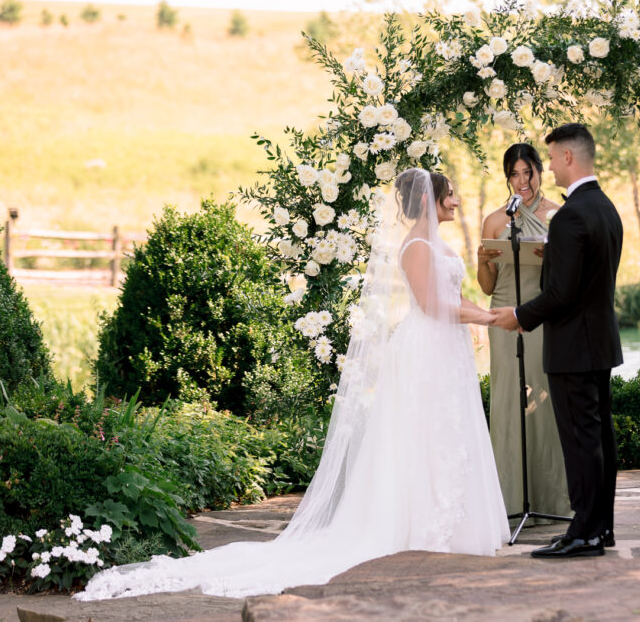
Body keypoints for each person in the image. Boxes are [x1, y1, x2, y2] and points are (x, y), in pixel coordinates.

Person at [76, 169, 509, 599]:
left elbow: (454, 297)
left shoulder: (440, 245)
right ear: (431, 200)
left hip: (445, 353)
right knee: (421, 436)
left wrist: (491, 315)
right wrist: (488, 318)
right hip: (424, 352)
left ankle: (450, 525)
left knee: (446, 434)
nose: (455, 201)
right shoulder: (415, 246)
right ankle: (418, 530)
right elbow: (433, 305)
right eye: (449, 195)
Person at [492, 123, 623, 559]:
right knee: (600, 437)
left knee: (581, 441)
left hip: (571, 347)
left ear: (568, 157)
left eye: (549, 159)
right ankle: (600, 528)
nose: (547, 166)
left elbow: (562, 293)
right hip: (600, 343)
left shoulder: (569, 216)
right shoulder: (606, 208)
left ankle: (582, 532)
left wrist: (519, 316)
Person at [477, 143, 571, 522]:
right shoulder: (495, 220)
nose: (522, 181)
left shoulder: (558, 216)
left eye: (527, 172)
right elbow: (486, 286)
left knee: (545, 402)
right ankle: (509, 499)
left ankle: (550, 498)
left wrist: (555, 260)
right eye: (514, 174)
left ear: (539, 171)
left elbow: (567, 280)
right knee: (508, 403)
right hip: (502, 318)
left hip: (542, 317)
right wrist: (483, 261)